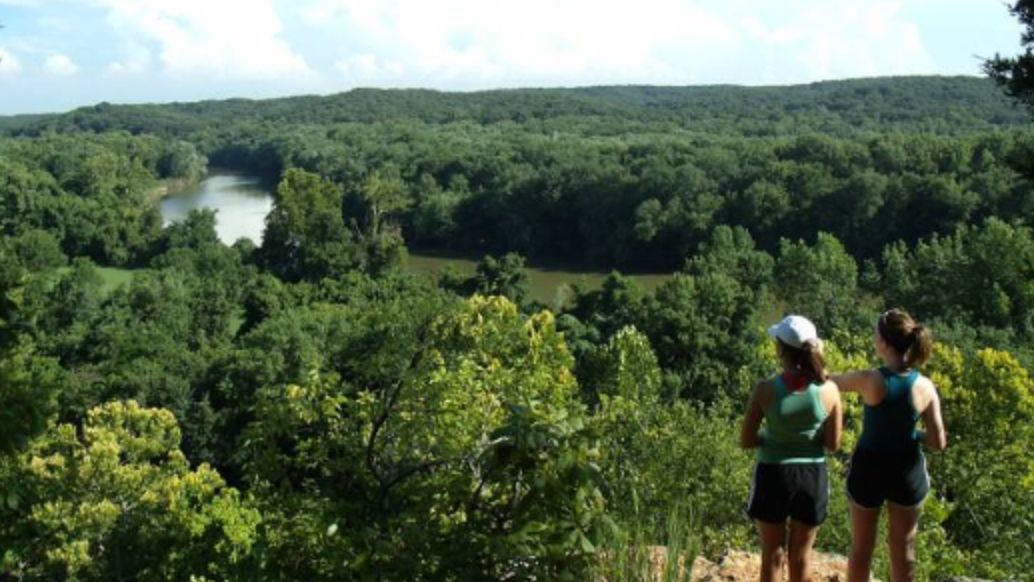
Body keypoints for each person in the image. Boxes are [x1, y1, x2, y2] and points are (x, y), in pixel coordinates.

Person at [833, 308, 947, 582]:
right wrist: (914, 434)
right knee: (903, 546)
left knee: (862, 548)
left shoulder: (871, 379)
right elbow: (938, 442)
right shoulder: (925, 386)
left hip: (869, 470)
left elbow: (830, 381)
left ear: (884, 342)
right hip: (906, 473)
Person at [741, 315, 843, 582]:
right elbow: (833, 445)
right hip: (812, 476)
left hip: (773, 473)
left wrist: (771, 436)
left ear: (780, 349)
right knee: (801, 557)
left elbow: (747, 440)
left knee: (772, 555)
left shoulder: (765, 390)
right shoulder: (830, 391)